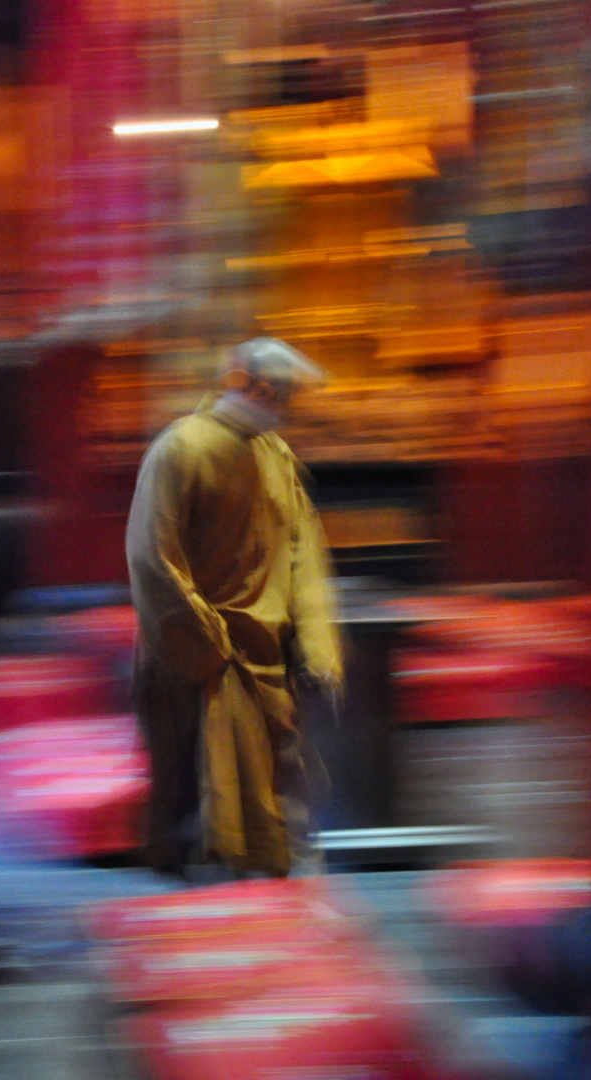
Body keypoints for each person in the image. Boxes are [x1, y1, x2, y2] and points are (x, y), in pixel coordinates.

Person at [126, 337, 343, 880]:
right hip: (196, 662)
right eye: (277, 391)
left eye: (287, 393)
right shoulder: (182, 449)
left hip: (264, 663)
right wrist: (208, 649)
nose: (284, 402)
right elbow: (154, 559)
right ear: (249, 384)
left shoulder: (274, 456)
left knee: (272, 804)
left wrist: (317, 648)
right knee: (197, 803)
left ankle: (260, 914)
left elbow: (303, 557)